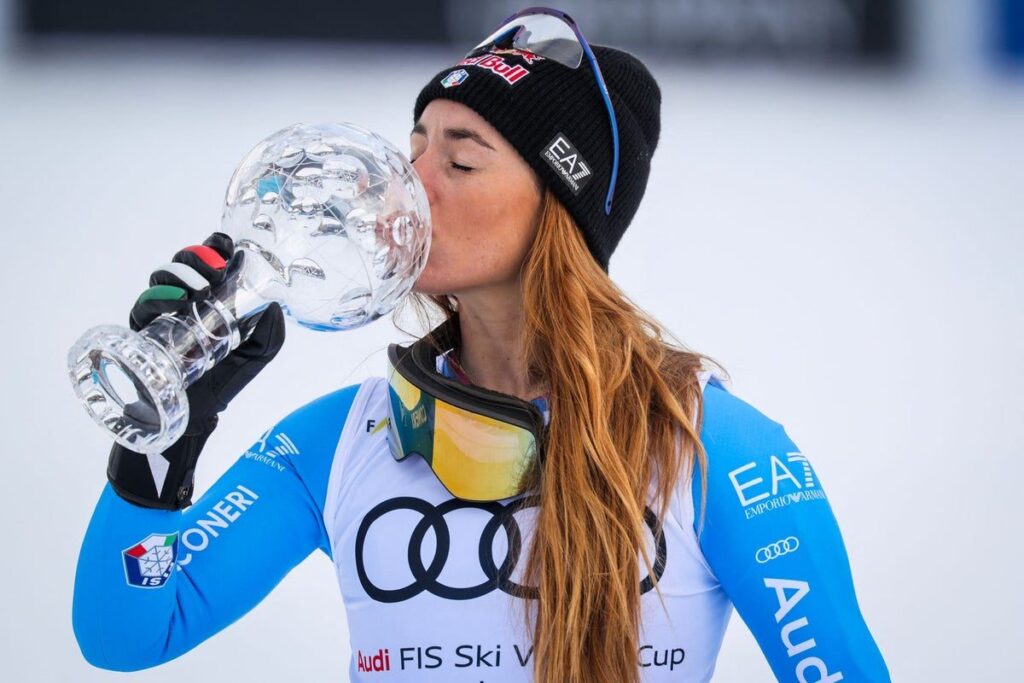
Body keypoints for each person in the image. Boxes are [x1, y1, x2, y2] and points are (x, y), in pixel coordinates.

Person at [71, 8, 891, 683]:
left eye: (459, 160)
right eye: (415, 146)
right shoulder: (340, 441)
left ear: (559, 214)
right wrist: (162, 442)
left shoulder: (715, 448)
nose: (403, 186)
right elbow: (131, 630)